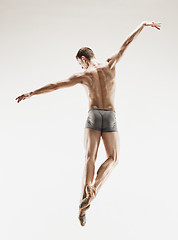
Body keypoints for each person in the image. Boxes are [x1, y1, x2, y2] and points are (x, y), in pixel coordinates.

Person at [15, 21, 161, 226]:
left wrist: (31, 93)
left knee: (89, 158)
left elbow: (56, 85)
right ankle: (93, 192)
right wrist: (143, 25)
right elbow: (125, 44)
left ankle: (83, 202)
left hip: (93, 115)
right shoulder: (110, 64)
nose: (80, 67)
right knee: (113, 158)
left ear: (83, 59)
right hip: (109, 115)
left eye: (79, 63)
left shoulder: (84, 74)